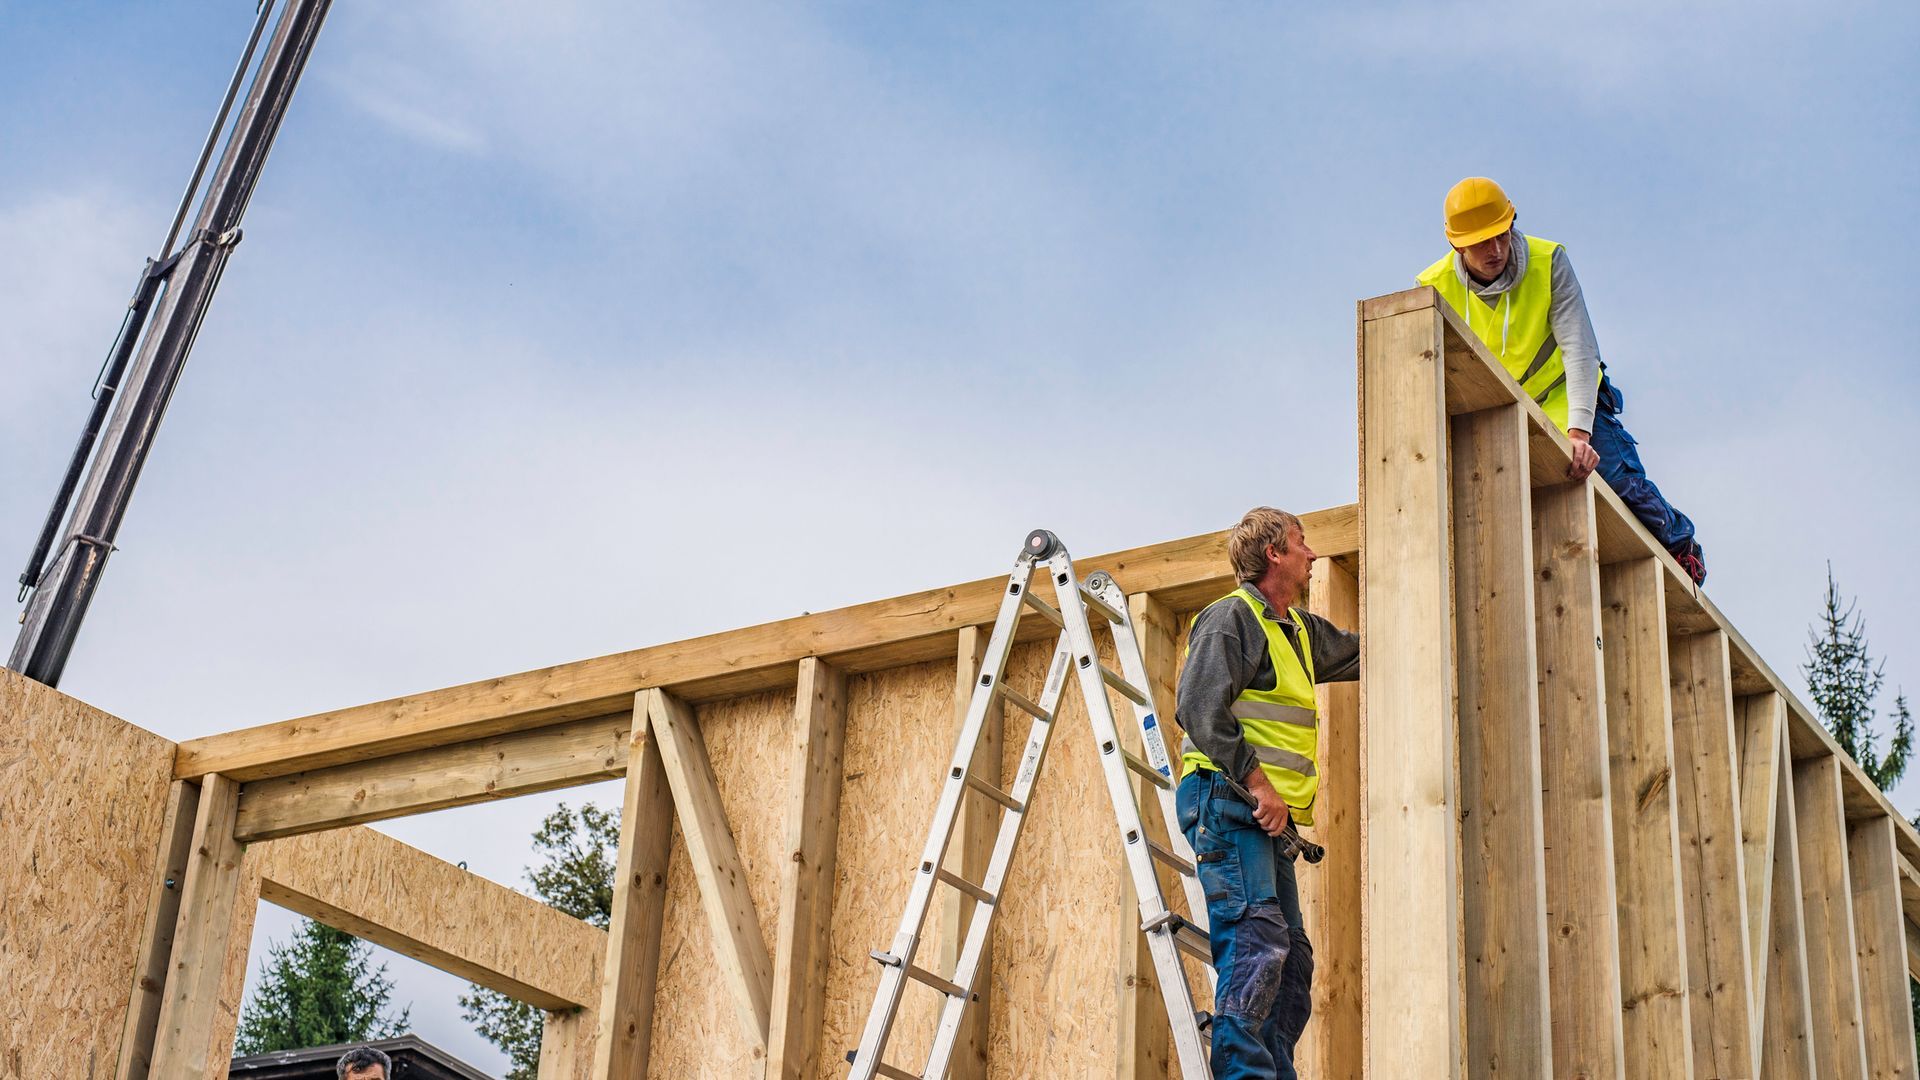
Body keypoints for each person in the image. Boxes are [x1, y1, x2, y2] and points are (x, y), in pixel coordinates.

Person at [1417, 176, 1707, 584]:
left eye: (1502, 235)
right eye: (1482, 242)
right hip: (1501, 408)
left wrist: (1581, 435)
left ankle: (1681, 543)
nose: (1496, 250)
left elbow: (1580, 350)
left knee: (1617, 479)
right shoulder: (1431, 288)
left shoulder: (1547, 260)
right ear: (1457, 245)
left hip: (1565, 393)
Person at [1175, 506, 1358, 1080]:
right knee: (1256, 946)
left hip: (1266, 823)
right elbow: (1198, 708)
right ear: (1275, 552)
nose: (1310, 555)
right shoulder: (1234, 619)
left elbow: (1369, 652)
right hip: (1228, 804)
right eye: (1302, 544)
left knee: (1290, 961)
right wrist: (1259, 784)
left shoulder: (1298, 631)